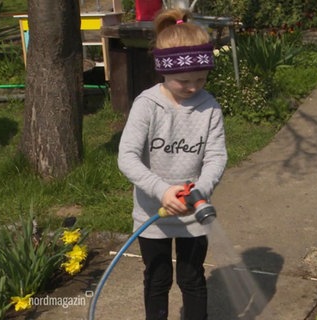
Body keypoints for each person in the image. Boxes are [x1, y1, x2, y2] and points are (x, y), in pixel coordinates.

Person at [117, 8, 227, 320]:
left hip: (193, 214)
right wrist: (162, 191)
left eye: (201, 78)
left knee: (192, 279)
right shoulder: (147, 106)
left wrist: (201, 190)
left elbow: (216, 156)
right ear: (164, 70)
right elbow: (127, 157)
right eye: (184, 80)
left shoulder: (209, 107)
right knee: (157, 279)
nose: (194, 87)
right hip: (153, 214)